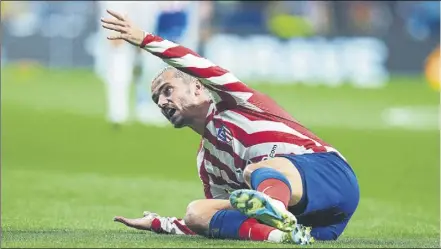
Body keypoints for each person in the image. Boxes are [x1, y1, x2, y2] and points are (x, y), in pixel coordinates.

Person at [101, 9, 360, 245]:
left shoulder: (236, 101)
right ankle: (282, 235)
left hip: (332, 178)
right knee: (197, 211)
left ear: (198, 88)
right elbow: (216, 221)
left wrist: (144, 39)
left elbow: (192, 62)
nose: (162, 102)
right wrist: (160, 224)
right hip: (317, 224)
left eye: (167, 91)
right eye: (157, 99)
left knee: (256, 171)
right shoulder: (207, 162)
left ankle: (274, 210)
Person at [95, 1, 201, 127]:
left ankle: (145, 105)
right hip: (122, 9)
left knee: (148, 62)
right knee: (119, 60)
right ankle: (118, 113)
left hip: (144, 15)